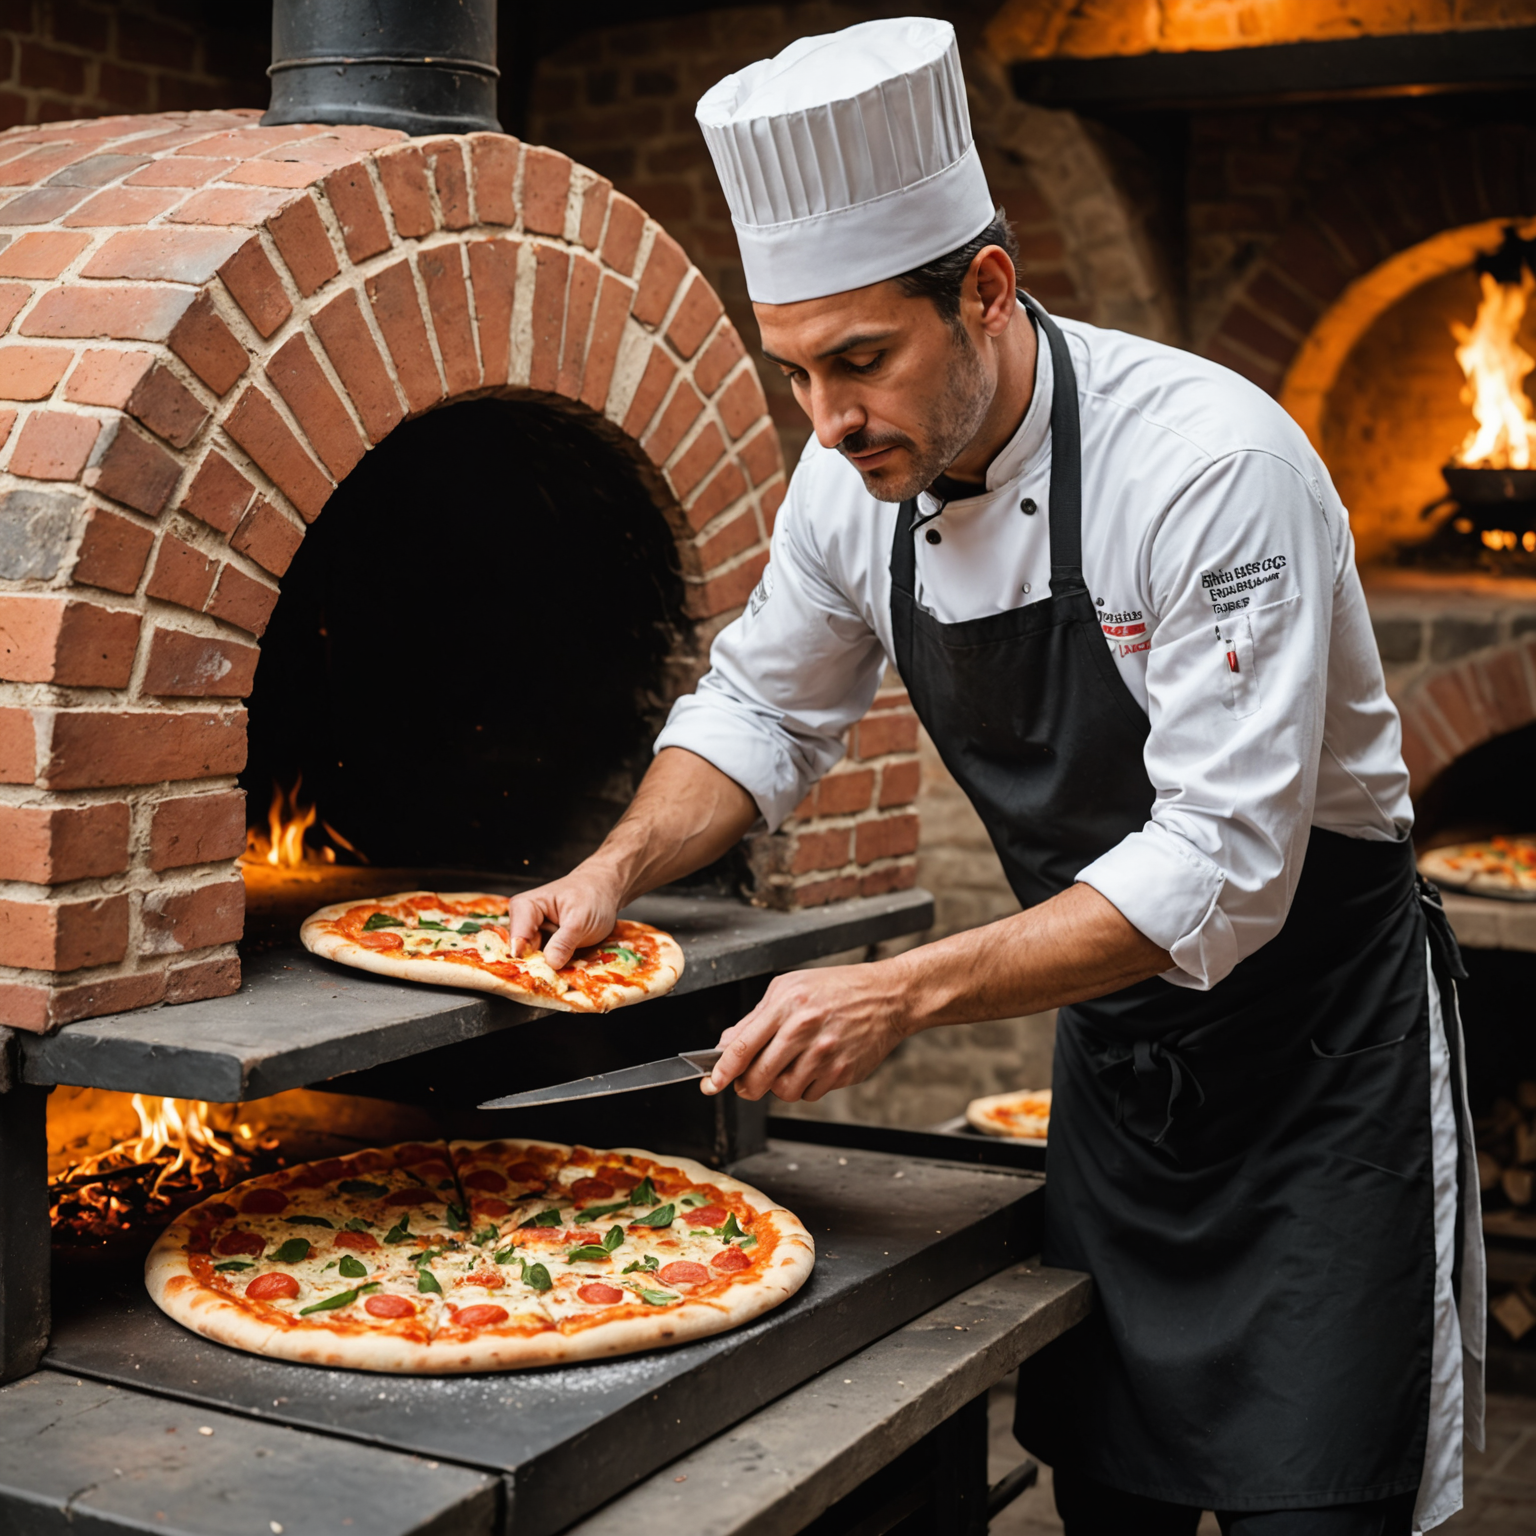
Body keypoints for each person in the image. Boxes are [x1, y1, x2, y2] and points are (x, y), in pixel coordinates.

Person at [508, 18, 1484, 1533]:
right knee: (1111, 1495)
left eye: (861, 362)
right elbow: (762, 712)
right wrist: (612, 867)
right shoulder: (852, 482)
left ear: (984, 291)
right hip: (1118, 1069)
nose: (827, 420)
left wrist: (900, 991)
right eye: (797, 373)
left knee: (1323, 1511)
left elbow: (1225, 866)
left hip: (1317, 1077)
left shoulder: (1214, 468)